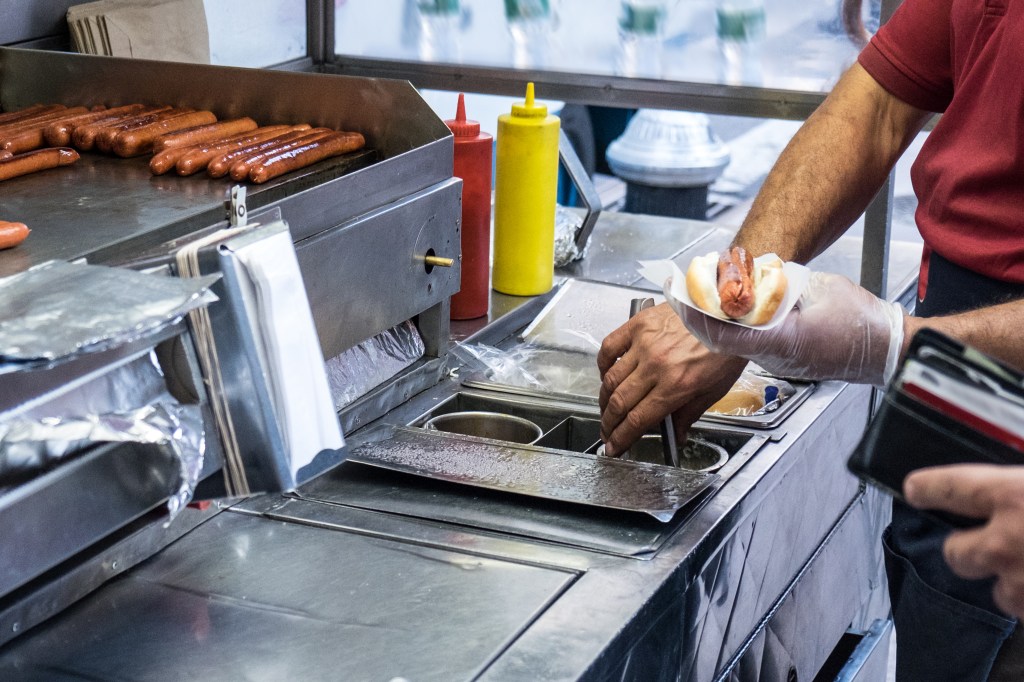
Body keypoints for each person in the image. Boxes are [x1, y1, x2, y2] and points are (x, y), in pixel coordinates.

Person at [597, 1, 1024, 679]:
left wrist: (890, 340)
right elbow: (877, 106)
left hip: (991, 359)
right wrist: (738, 298)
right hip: (953, 379)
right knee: (941, 612)